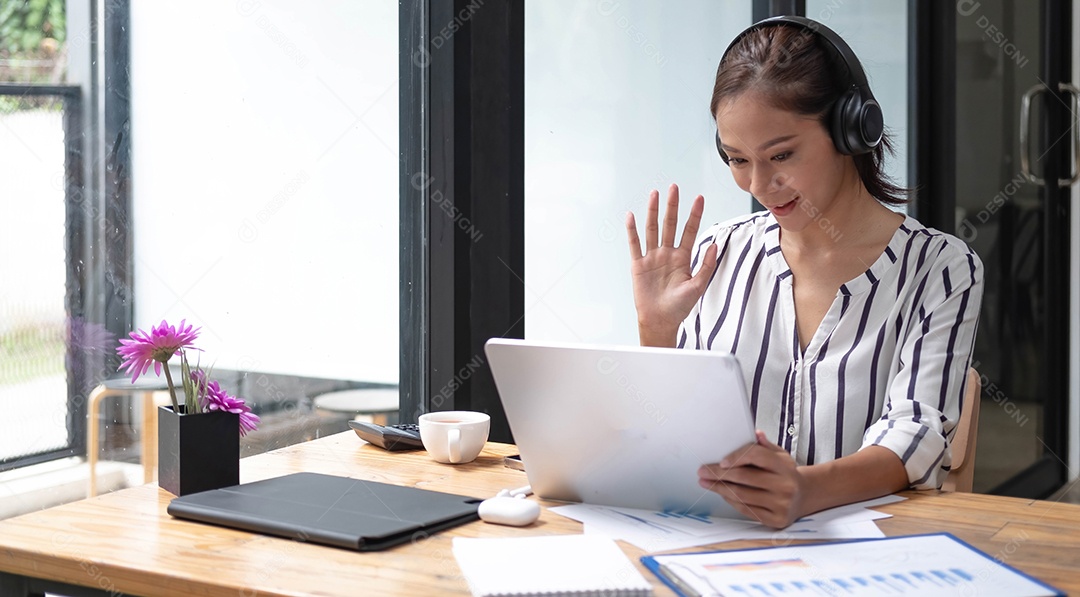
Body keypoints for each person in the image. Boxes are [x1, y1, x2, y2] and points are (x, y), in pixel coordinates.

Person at [625, 16, 983, 528]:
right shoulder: (715, 255)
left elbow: (916, 436)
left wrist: (802, 491)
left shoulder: (941, 269)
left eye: (782, 154)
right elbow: (665, 441)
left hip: (861, 557)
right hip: (716, 544)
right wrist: (656, 331)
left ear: (852, 129)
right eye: (738, 159)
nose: (760, 184)